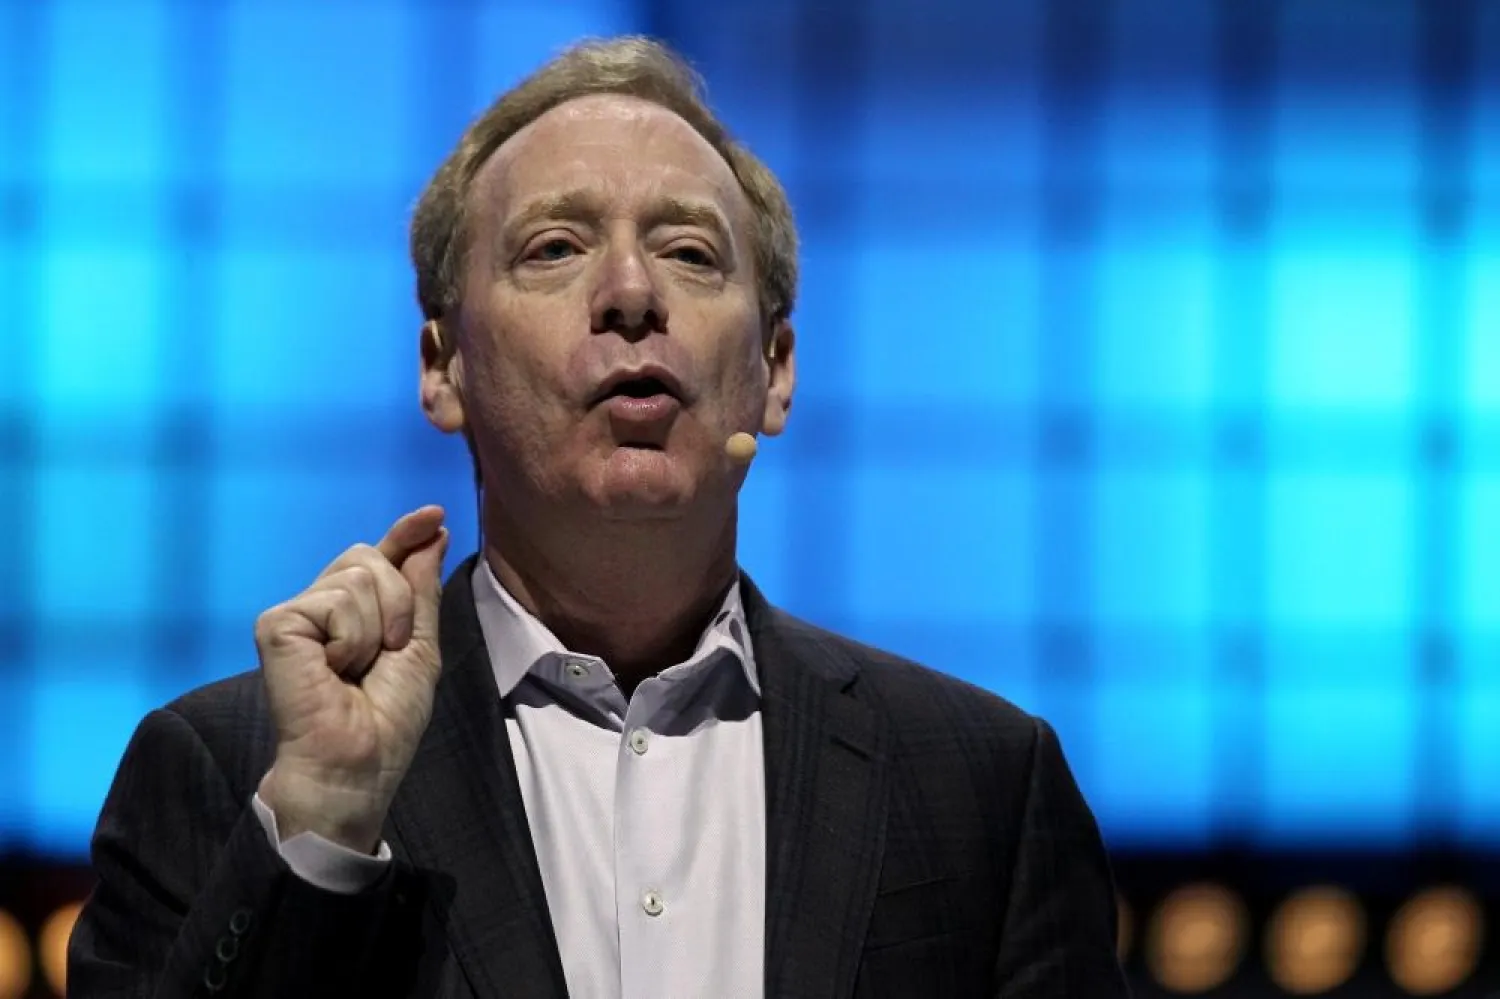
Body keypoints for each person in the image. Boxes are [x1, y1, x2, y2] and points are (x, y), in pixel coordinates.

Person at [67, 35, 1130, 999]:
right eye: (556, 248)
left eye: (690, 252)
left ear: (775, 370)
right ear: (444, 366)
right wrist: (325, 830)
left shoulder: (981, 782)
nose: (631, 292)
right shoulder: (229, 768)